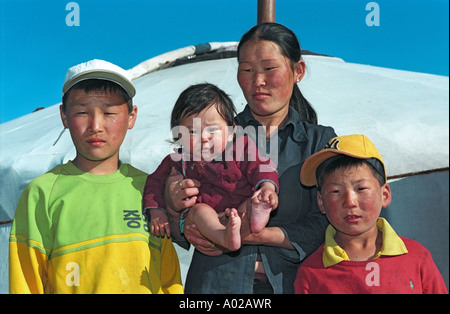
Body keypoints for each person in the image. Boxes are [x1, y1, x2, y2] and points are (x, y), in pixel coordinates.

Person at [164, 23, 337, 293]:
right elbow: (173, 221)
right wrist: (176, 213)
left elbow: (329, 221)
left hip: (293, 284)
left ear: (298, 71)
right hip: (214, 285)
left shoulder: (320, 142)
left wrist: (249, 235)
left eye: (269, 69)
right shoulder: (208, 133)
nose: (258, 81)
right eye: (247, 70)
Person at [9, 59, 183, 294]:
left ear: (132, 116)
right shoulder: (42, 193)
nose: (96, 126)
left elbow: (169, 278)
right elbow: (25, 283)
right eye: (82, 112)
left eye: (109, 112)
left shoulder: (149, 189)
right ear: (64, 116)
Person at [294, 134, 448, 294]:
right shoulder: (310, 272)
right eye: (335, 191)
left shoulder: (417, 257)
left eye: (360, 188)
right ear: (321, 202)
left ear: (385, 195)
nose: (349, 201)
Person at [143, 83, 279, 252]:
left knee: (253, 202)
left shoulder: (241, 148)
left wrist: (266, 188)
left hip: (238, 214)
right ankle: (225, 237)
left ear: (231, 132)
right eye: (192, 132)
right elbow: (154, 183)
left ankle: (252, 219)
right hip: (203, 226)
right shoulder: (178, 159)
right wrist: (157, 211)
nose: (204, 138)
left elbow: (262, 166)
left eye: (213, 129)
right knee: (200, 211)